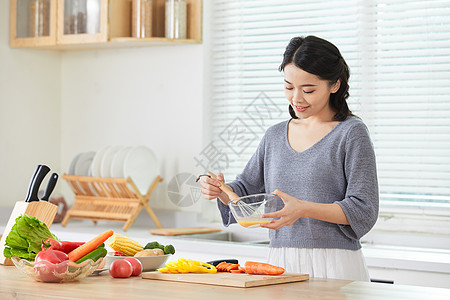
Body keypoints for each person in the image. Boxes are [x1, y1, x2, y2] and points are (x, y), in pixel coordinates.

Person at [199, 36, 379, 281]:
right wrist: (220, 190)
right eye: (288, 87)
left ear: (335, 85)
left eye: (308, 90)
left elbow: (363, 208)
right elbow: (245, 189)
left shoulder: (351, 133)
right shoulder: (274, 136)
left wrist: (303, 209)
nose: (297, 98)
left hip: (336, 264)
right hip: (281, 263)